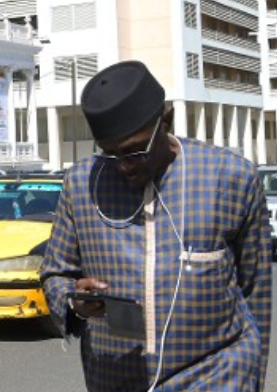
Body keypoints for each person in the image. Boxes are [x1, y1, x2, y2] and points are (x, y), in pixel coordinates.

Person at [41, 60, 272, 391]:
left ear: (166, 121)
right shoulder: (81, 185)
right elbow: (55, 273)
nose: (124, 167)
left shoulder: (230, 178)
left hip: (215, 374)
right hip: (116, 377)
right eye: (111, 155)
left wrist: (254, 379)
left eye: (135, 151)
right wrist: (72, 300)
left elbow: (257, 291)